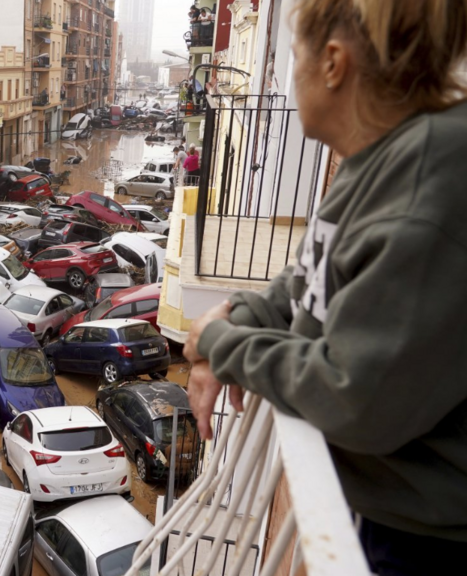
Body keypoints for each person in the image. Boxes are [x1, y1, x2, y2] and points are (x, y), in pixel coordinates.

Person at [182, 1, 467, 574]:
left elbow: (354, 395)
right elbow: (308, 277)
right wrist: (240, 315)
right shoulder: (382, 157)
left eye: (295, 57)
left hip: (424, 543)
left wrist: (222, 345)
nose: (292, 75)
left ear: (333, 63)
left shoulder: (425, 183)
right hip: (391, 514)